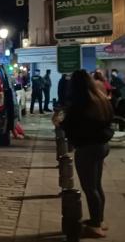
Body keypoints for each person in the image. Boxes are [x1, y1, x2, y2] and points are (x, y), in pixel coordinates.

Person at [59, 70, 114, 238]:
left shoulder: (81, 102)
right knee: (96, 185)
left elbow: (70, 125)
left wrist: (59, 122)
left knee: (90, 188)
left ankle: (96, 225)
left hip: (87, 148)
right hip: (101, 145)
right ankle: (99, 220)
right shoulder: (100, 98)